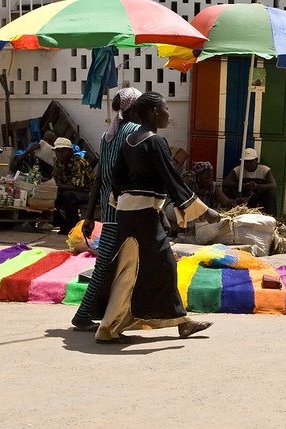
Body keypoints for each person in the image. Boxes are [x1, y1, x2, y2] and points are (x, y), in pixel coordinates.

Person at [89, 91, 219, 344]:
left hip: (131, 212)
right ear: (154, 112)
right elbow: (171, 177)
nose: (169, 113)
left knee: (136, 269)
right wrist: (203, 211)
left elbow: (116, 178)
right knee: (158, 266)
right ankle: (111, 327)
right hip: (142, 216)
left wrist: (151, 208)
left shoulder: (128, 140)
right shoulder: (155, 142)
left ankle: (177, 322)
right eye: (166, 108)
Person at [71, 87, 142, 331]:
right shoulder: (134, 132)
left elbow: (98, 178)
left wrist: (90, 216)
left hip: (107, 208)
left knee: (115, 262)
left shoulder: (107, 136)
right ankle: (82, 315)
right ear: (133, 107)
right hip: (127, 206)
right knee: (106, 264)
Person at [52, 136, 95, 235]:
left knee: (68, 196)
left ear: (69, 151)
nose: (59, 154)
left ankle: (72, 228)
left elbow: (79, 187)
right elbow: (56, 179)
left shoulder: (79, 162)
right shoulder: (58, 163)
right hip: (70, 191)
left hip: (88, 193)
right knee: (56, 197)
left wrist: (58, 186)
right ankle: (63, 225)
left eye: (62, 151)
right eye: (57, 151)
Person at [222, 148, 277, 216]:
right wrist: (243, 185)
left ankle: (271, 217)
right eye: (246, 162)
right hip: (243, 197)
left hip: (258, 198)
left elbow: (273, 185)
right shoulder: (239, 169)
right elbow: (225, 182)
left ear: (256, 160)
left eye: (251, 162)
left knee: (271, 193)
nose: (248, 164)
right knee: (227, 190)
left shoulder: (264, 169)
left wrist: (257, 186)